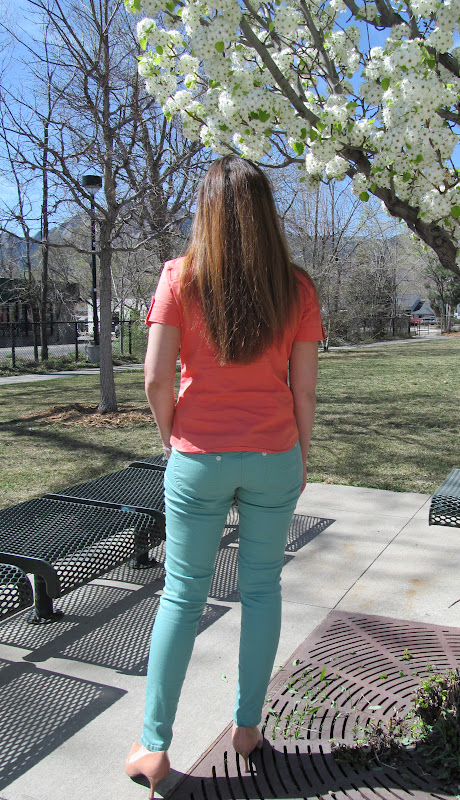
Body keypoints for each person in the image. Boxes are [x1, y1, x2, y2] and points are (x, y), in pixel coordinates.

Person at [125, 155, 324, 799]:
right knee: (262, 591)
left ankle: (155, 748)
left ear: (205, 214)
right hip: (274, 457)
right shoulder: (296, 288)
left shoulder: (179, 278)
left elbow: (155, 379)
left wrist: (170, 434)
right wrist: (301, 454)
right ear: (267, 217)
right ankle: (246, 728)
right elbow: (305, 393)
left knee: (182, 597)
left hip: (198, 456)